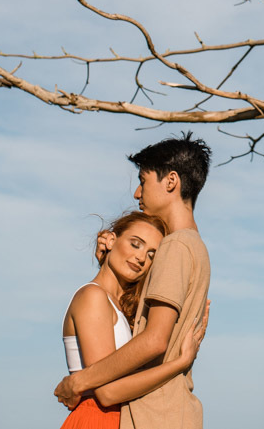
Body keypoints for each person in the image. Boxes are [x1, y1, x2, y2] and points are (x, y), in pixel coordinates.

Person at [56, 133, 212, 429]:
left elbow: (154, 340)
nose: (137, 193)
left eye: (143, 180)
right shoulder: (194, 247)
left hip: (154, 414)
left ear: (171, 182)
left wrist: (78, 382)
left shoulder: (175, 247)